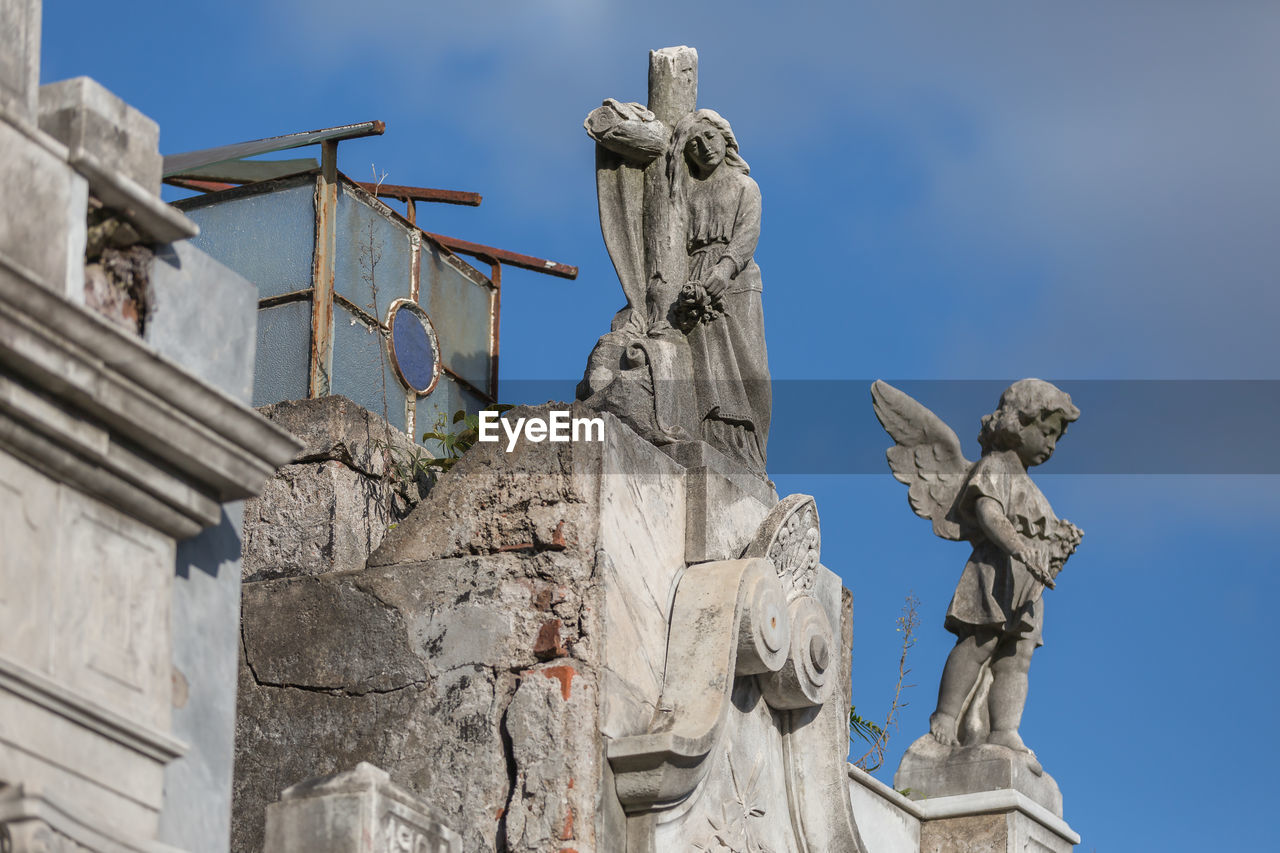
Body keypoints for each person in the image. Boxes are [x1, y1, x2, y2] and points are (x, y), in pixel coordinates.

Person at [928, 380, 1082, 772]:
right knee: (980, 641)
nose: (1050, 444)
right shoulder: (995, 467)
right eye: (1046, 432)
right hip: (995, 572)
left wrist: (1058, 546)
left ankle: (1005, 729)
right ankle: (946, 715)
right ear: (1019, 422)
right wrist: (1018, 546)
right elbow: (989, 514)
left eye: (1056, 438)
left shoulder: (1033, 490)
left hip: (1028, 586)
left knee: (1018, 657)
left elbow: (1040, 540)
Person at [665, 110, 771, 473]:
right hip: (693, 280)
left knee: (747, 370)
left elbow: (746, 236)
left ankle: (749, 452)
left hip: (736, 281)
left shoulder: (745, 187)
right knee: (703, 366)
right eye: (693, 145)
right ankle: (713, 439)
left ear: (725, 137)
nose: (703, 148)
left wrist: (723, 271)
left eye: (708, 137)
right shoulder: (686, 195)